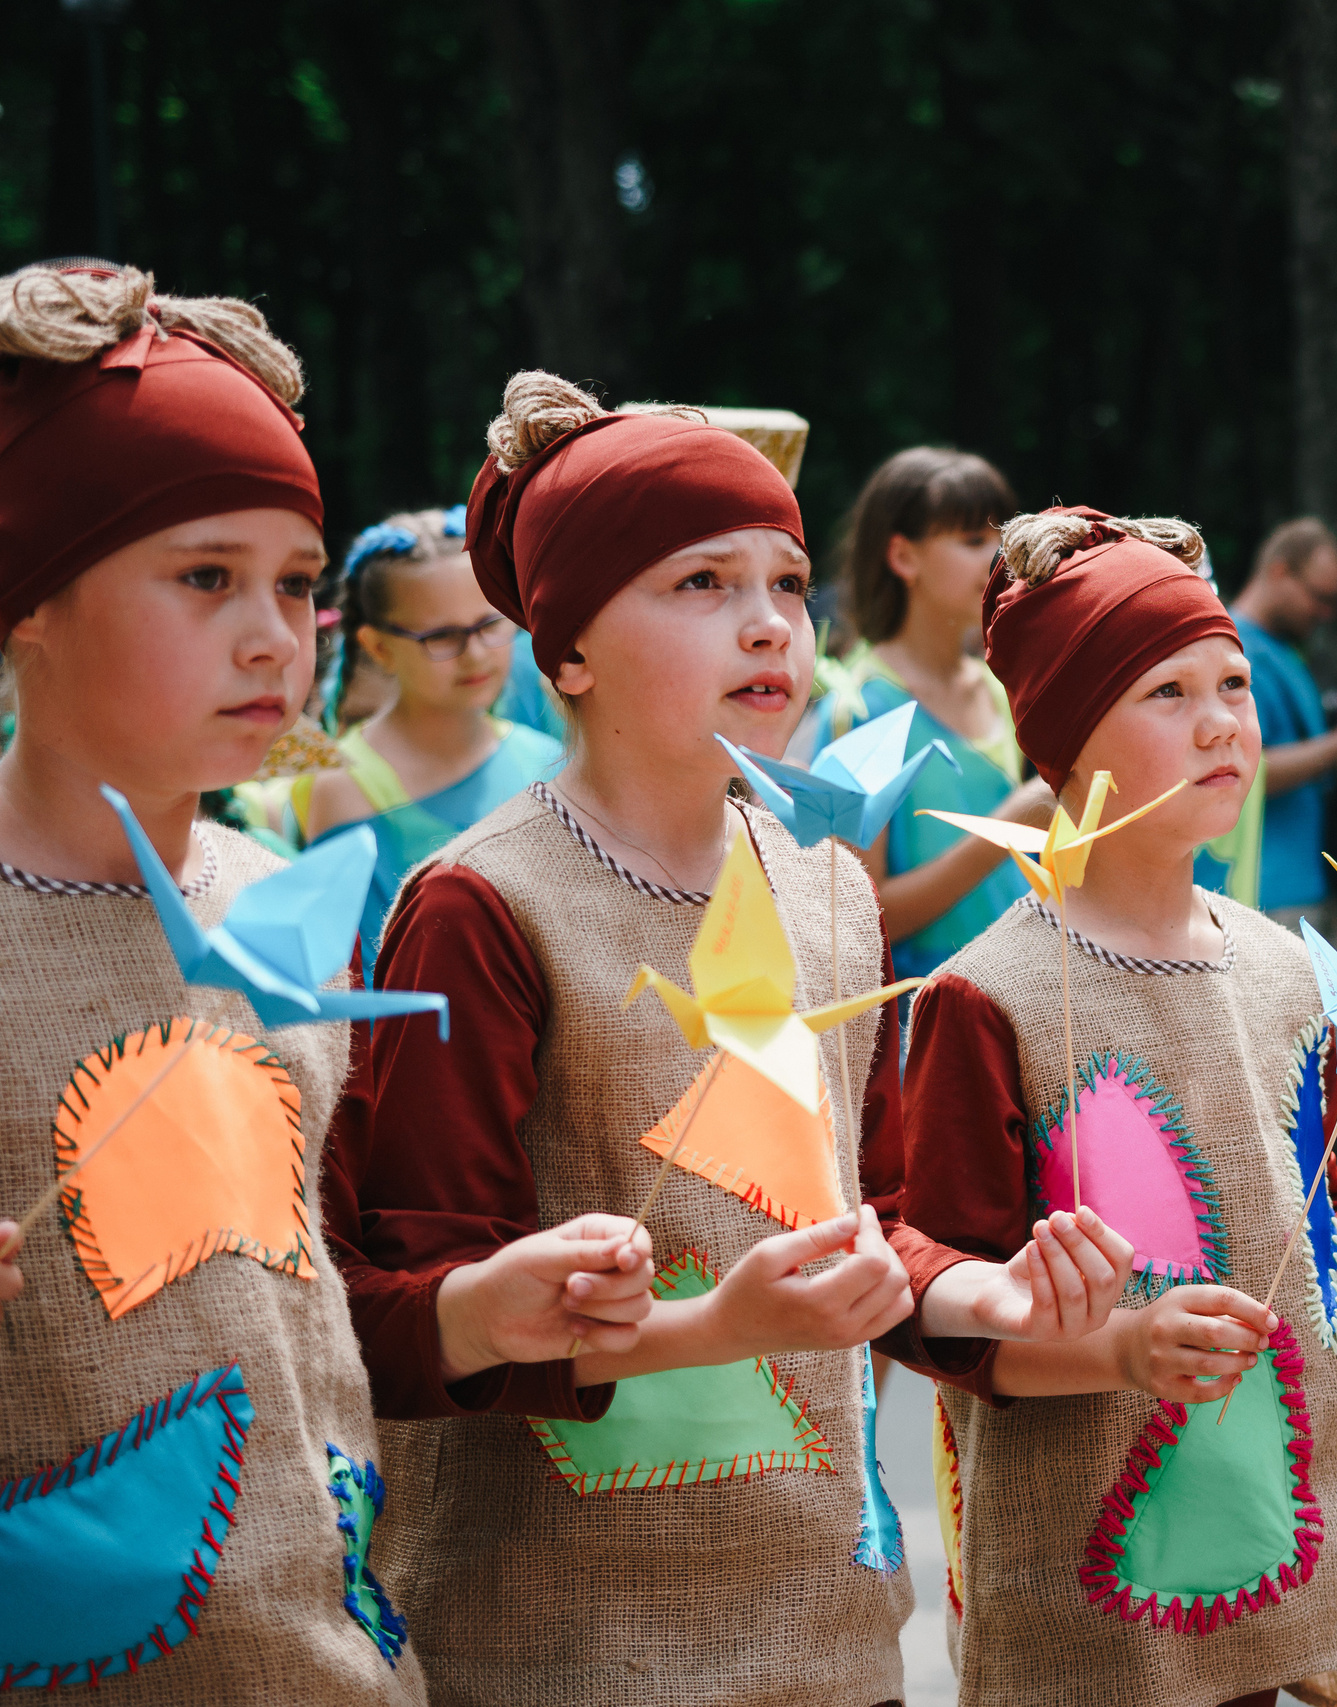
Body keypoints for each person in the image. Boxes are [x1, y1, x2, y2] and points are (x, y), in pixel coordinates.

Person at [321, 377, 1127, 1707]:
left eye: (789, 581)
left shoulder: (826, 886)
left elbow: (879, 1221)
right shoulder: (484, 904)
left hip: (829, 1628)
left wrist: (994, 1293)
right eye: (700, 582)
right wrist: (706, 1323)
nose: (769, 623)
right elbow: (400, 1308)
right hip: (561, 1644)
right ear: (567, 651)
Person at [893, 505, 1337, 1707]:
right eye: (1166, 692)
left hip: (1278, 1541)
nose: (1223, 721)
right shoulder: (990, 996)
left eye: (1230, 681)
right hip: (1089, 1592)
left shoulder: (1286, 968)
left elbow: (1303, 1262)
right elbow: (951, 1322)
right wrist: (1120, 1346)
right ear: (1068, 737)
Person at [0, 261, 467, 1697]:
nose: (274, 634)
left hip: (332, 1653)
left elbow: (321, 1291)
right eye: (206, 576)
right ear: (30, 599)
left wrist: (491, 1304)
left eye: (299, 585)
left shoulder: (278, 904)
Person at [794, 446, 1052, 982]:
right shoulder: (857, 708)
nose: (999, 559)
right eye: (973, 540)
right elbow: (856, 919)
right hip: (923, 1023)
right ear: (903, 557)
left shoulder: (1001, 686)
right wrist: (1009, 828)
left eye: (1003, 540)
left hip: (1024, 998)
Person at [290, 506, 561, 963]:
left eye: (489, 624)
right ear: (379, 647)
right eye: (442, 636)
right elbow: (356, 975)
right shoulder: (342, 789)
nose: (475, 655)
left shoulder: (547, 760)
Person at [1221, 517, 1337, 924]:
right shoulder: (1230, 647)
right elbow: (1245, 771)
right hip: (1266, 891)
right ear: (1279, 572)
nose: (1326, 614)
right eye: (1319, 597)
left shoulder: (1284, 651)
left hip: (1315, 885)